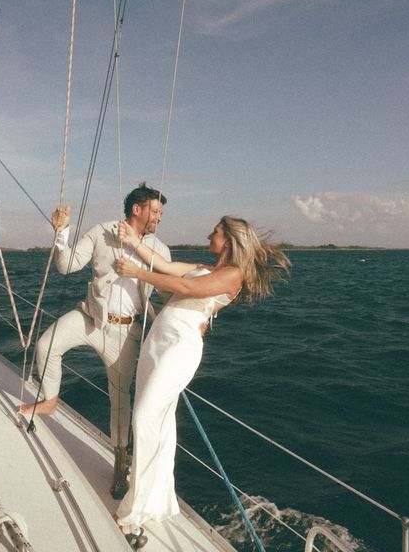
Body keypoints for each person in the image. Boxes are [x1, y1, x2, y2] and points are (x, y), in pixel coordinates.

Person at [113, 216, 290, 541]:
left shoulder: (232, 274)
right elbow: (166, 267)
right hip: (158, 338)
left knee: (145, 417)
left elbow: (186, 288)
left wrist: (136, 272)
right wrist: (131, 241)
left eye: (216, 232)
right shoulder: (204, 266)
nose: (210, 234)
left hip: (179, 346)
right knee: (160, 422)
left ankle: (135, 509)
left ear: (230, 240)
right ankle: (156, 502)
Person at [19, 183, 171, 499]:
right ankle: (49, 400)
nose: (159, 218)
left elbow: (166, 292)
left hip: (125, 333)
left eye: (160, 213)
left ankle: (119, 468)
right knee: (46, 345)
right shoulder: (101, 232)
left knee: (120, 403)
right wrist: (61, 233)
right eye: (155, 211)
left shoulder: (160, 249)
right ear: (137, 209)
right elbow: (66, 266)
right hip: (90, 319)